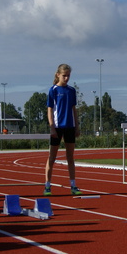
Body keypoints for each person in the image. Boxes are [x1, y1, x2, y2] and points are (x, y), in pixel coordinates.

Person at [44, 64, 83, 196]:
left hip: (69, 127)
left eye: (68, 76)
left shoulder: (71, 90)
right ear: (58, 75)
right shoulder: (53, 90)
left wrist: (77, 126)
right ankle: (48, 185)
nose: (66, 78)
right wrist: (52, 127)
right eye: (64, 75)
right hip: (57, 127)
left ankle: (73, 185)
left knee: (70, 158)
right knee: (52, 157)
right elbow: (49, 110)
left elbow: (73, 109)